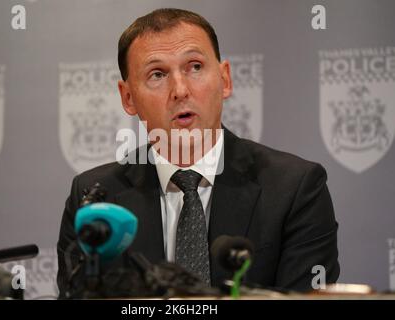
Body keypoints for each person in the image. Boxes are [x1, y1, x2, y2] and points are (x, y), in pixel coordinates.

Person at [57, 8, 339, 296]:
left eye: (195, 67)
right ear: (128, 97)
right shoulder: (94, 198)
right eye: (157, 74)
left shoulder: (295, 188)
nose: (180, 90)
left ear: (225, 79)